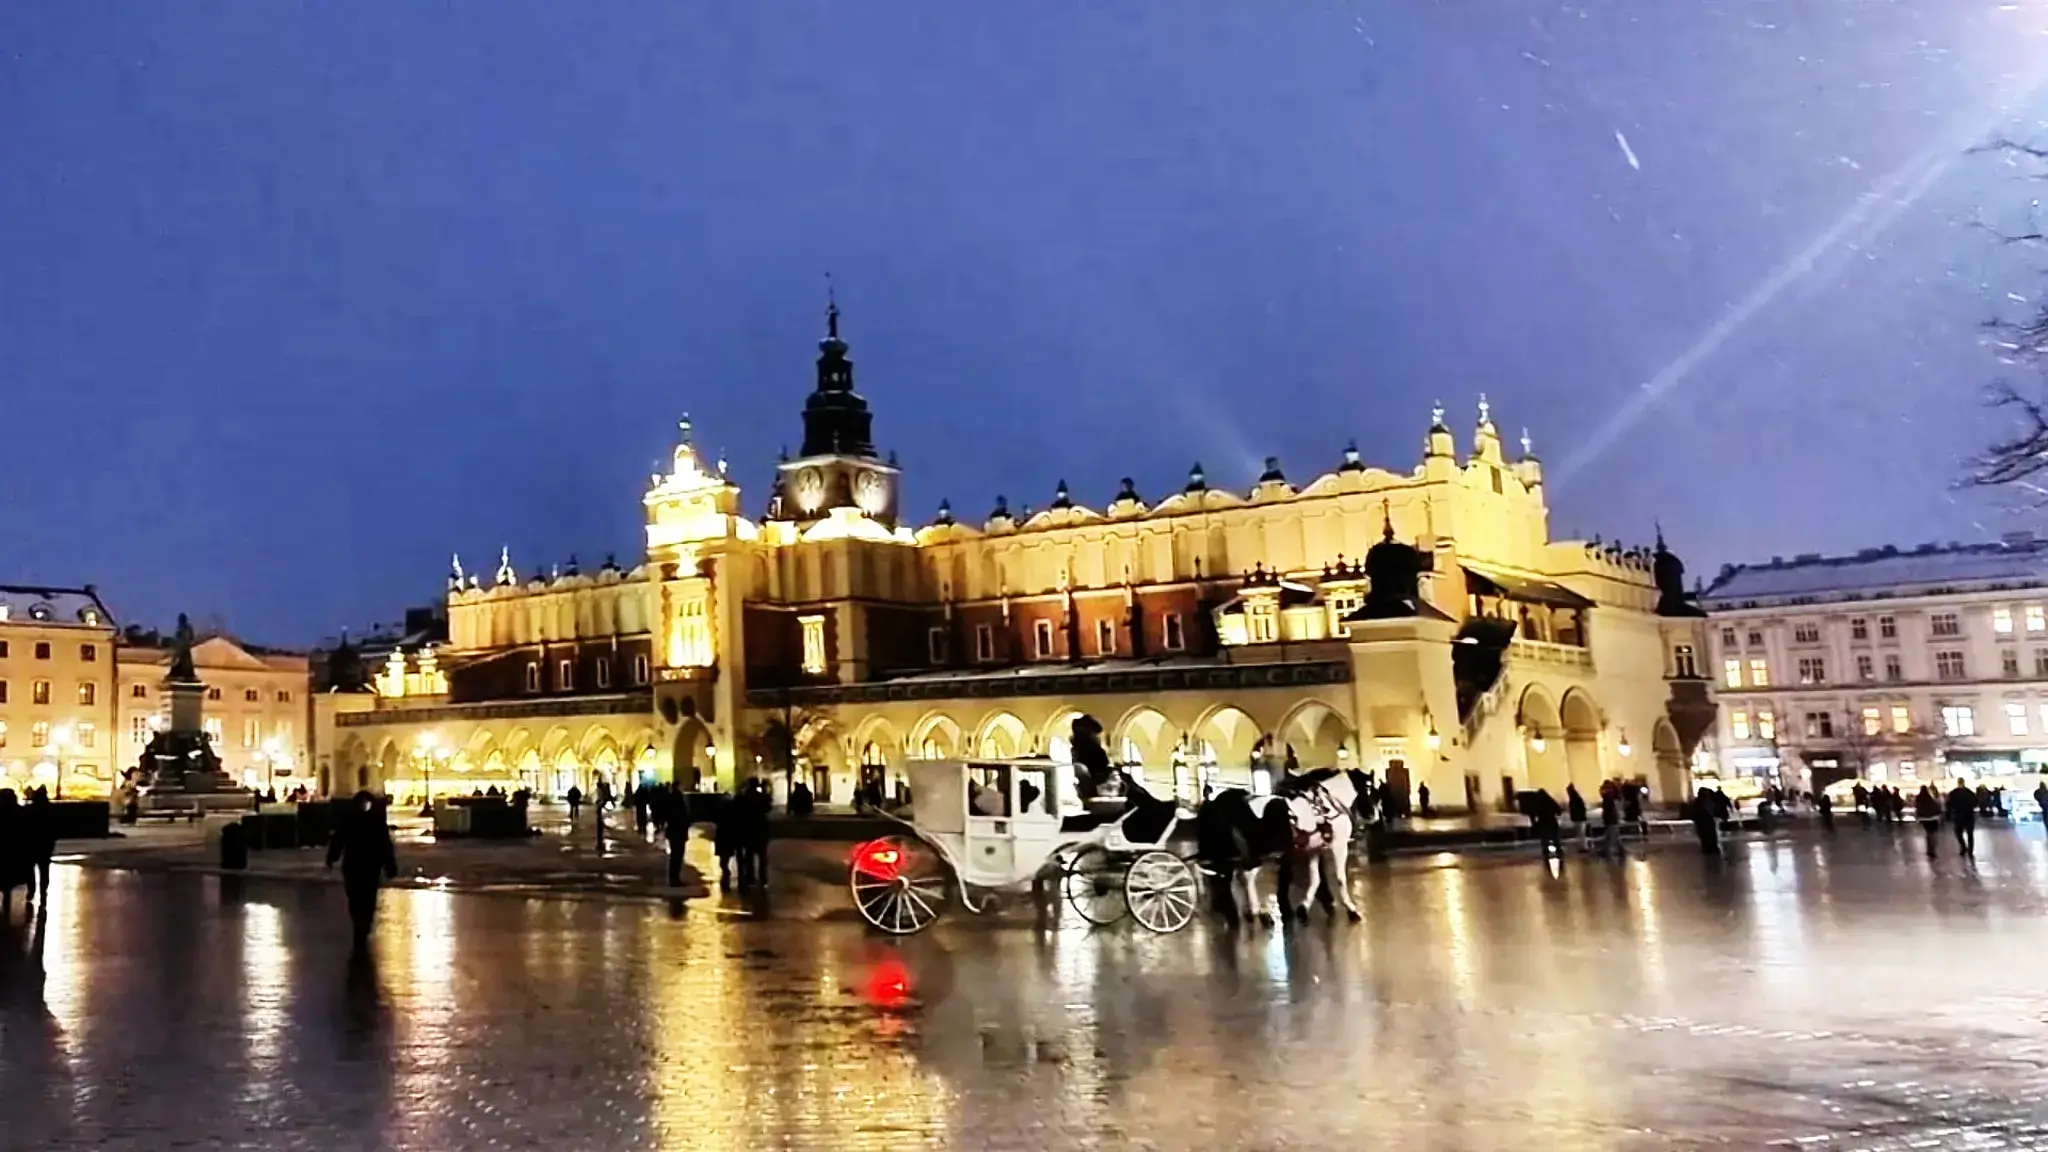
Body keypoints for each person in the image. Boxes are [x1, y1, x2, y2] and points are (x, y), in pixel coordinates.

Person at [326, 791, 398, 948]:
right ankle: (363, 924)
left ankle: (360, 925)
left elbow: (338, 840)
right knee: (367, 898)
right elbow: (385, 845)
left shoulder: (349, 820)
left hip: (354, 865)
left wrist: (332, 857)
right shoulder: (375, 821)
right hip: (370, 866)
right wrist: (390, 866)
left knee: (356, 898)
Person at [23, 790, 56, 901]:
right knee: (44, 869)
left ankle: (31, 889)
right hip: (45, 844)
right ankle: (43, 891)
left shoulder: (29, 809)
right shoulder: (50, 810)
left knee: (30, 868)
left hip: (31, 844)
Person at [1524, 788, 1564, 857]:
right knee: (1555, 836)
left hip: (1543, 821)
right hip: (1551, 820)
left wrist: (1533, 822)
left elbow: (1532, 812)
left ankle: (1546, 850)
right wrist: (1556, 814)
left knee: (1544, 836)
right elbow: (1559, 810)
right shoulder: (1550, 800)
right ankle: (1558, 849)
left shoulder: (1537, 802)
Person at [1947, 779, 1979, 857]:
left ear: (1958, 783)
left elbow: (1948, 805)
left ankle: (1963, 847)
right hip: (1969, 816)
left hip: (1958, 816)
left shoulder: (1953, 793)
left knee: (1958, 833)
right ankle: (1970, 851)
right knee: (1970, 834)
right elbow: (1976, 803)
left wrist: (1950, 814)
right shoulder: (1969, 792)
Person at [1690, 787, 1722, 856]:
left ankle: (1709, 847)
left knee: (1706, 835)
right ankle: (1710, 847)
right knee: (1708, 835)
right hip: (1705, 822)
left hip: (1704, 822)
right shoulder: (1702, 802)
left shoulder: (1698, 802)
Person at [1598, 783, 1626, 860]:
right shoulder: (1610, 796)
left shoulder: (1608, 797)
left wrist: (1605, 817)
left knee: (1610, 837)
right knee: (1614, 836)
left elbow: (1608, 810)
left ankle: (1607, 852)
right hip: (1612, 819)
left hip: (1611, 820)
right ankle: (1621, 851)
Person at [1913, 785, 1942, 858]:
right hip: (1933, 818)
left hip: (1923, 818)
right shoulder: (1930, 797)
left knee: (1928, 833)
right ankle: (1932, 849)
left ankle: (1929, 849)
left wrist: (1918, 817)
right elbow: (1936, 806)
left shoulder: (1918, 797)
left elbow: (1916, 806)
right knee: (1933, 833)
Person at [1566, 783, 1589, 854]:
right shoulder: (1577, 798)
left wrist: (1573, 817)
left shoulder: (1574, 800)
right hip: (1580, 818)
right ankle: (1582, 847)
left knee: (1581, 834)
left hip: (1579, 819)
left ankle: (1583, 847)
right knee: (1581, 834)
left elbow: (1575, 810)